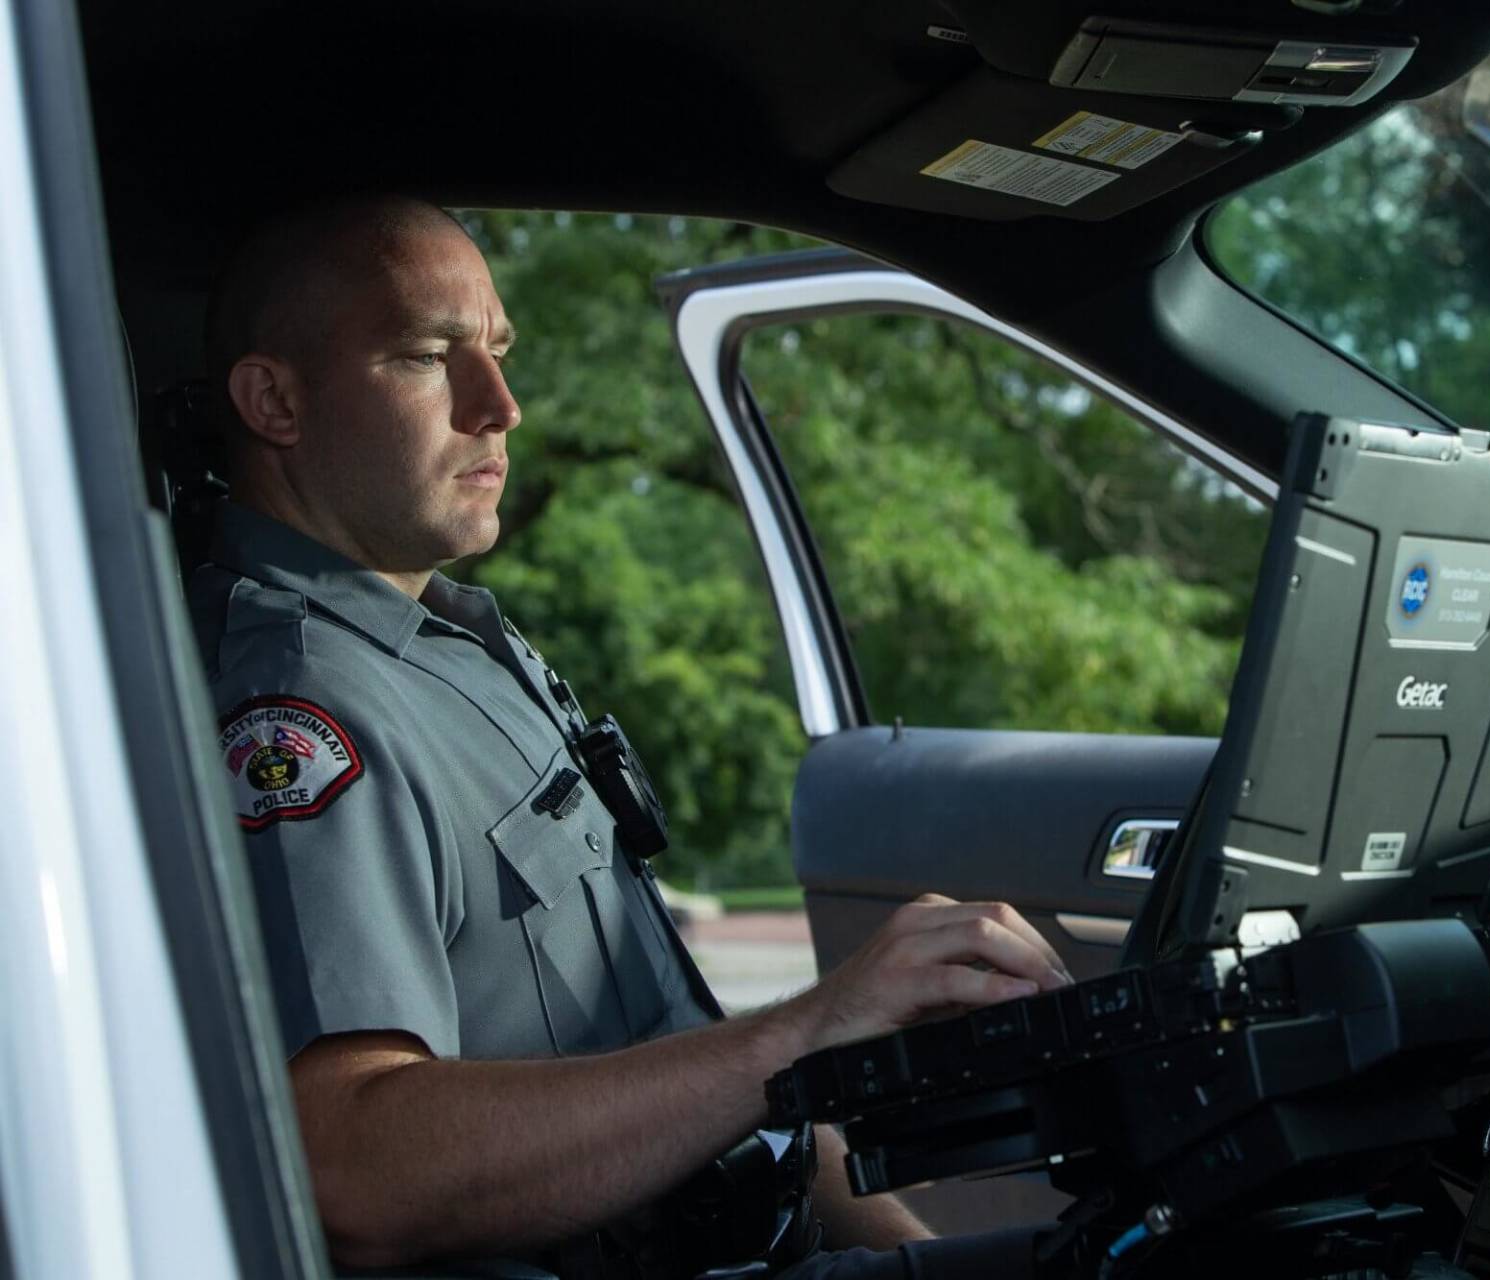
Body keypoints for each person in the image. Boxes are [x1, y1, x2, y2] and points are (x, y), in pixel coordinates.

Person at [190, 194, 1075, 1278]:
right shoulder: (302, 705)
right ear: (273, 400)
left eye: (501, 353)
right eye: (429, 356)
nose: (500, 405)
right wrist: (803, 1029)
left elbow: (667, 1039)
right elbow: (350, 1170)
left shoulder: (443, 641)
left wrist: (906, 1248)